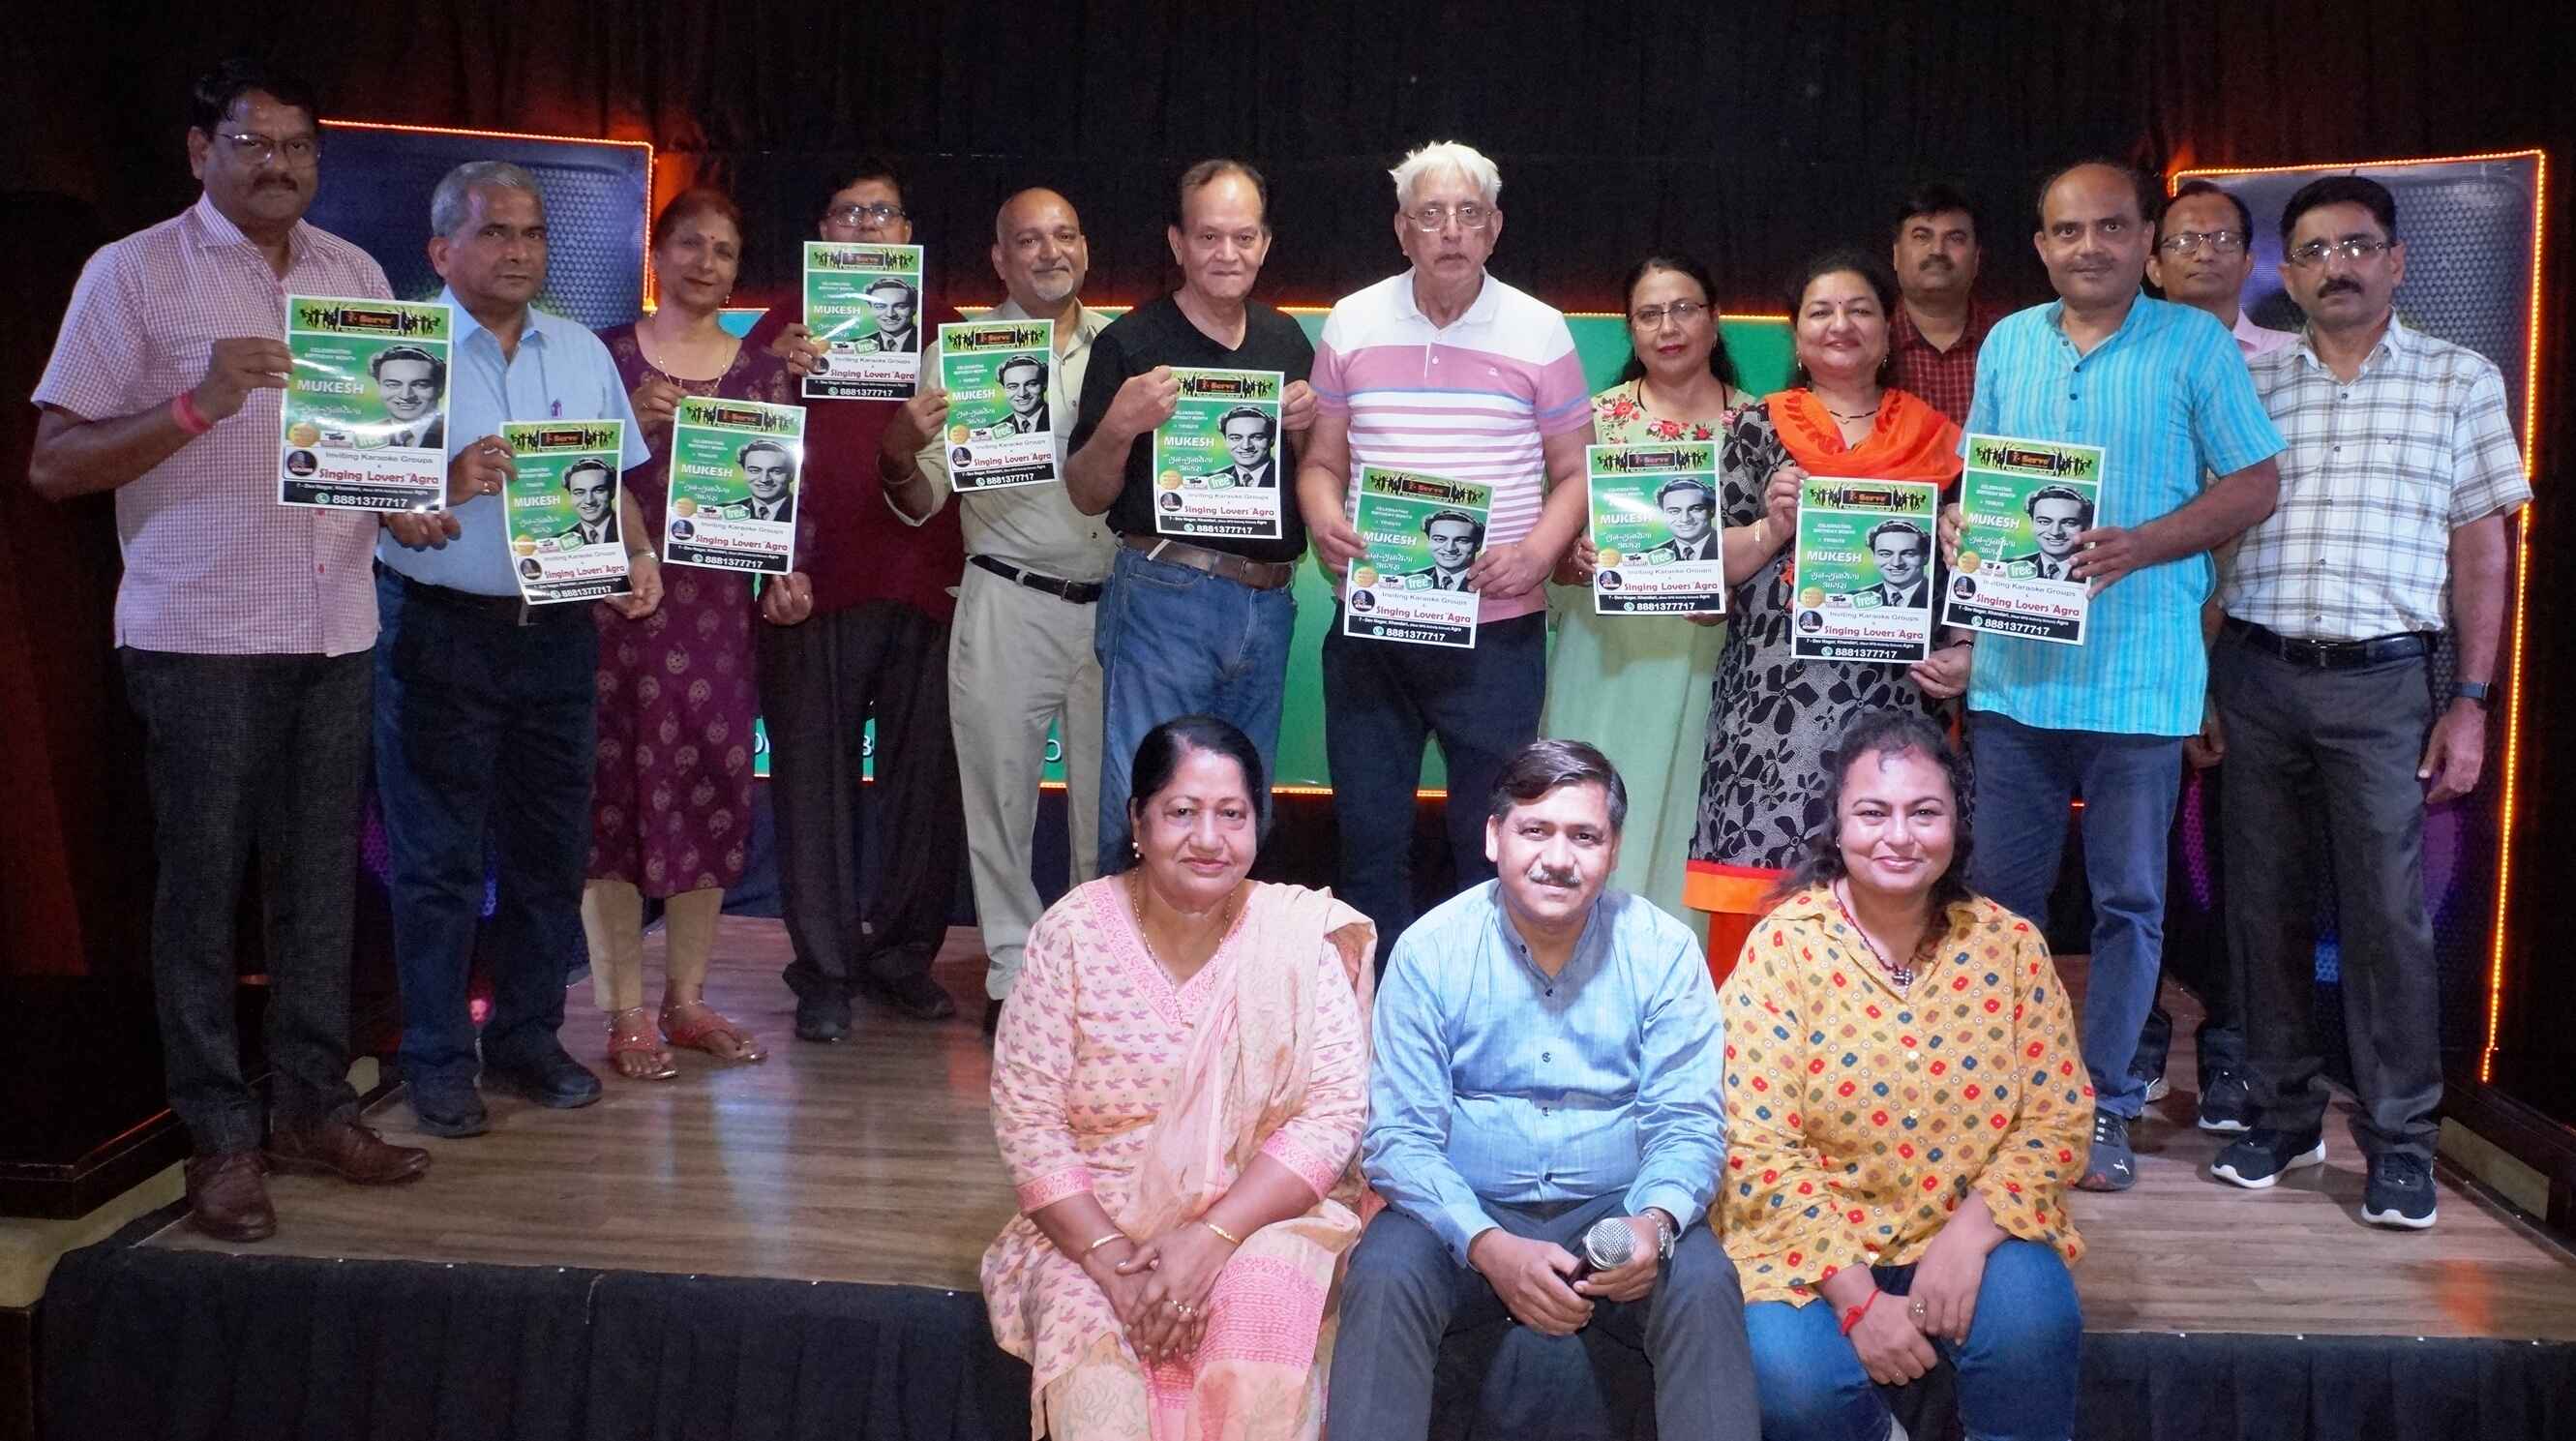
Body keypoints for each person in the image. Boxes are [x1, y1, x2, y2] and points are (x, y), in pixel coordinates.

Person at [28, 57, 434, 1241]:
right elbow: (54, 464)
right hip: (200, 635)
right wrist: (197, 402)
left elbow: (367, 457)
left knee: (319, 892)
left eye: (299, 146)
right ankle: (219, 1137)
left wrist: (403, 503)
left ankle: (312, 1106)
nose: (279, 166)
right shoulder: (133, 272)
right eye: (254, 144)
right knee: (201, 895)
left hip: (336, 628)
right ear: (200, 151)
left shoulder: (354, 276)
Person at [1950, 161, 2285, 1191]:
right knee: (1999, 902)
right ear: (2040, 246)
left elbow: (2257, 483)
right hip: (2015, 673)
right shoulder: (2009, 342)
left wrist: (2144, 544)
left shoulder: (2192, 345)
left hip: (2138, 676)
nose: (2087, 246)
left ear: (2145, 241)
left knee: (2129, 902)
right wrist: (1964, 523)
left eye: (2108, 227)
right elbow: (1981, 481)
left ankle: (2103, 1104)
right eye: (2066, 230)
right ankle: (1997, 1097)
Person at [2210, 176, 2528, 1229]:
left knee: (2388, 919)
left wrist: (2470, 698)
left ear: (2396, 260)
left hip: (2387, 683)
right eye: (2311, 251)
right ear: (2289, 273)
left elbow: (2481, 549)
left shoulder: (2459, 378)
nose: (2334, 267)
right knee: (2262, 905)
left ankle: (2399, 1143)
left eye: (2354, 246)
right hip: (2255, 672)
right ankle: (2281, 1114)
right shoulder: (2249, 384)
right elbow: (2214, 538)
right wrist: (2202, 678)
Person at [1330, 739, 1757, 1439]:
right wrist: (1487, 1243)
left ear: (1614, 850)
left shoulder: (1664, 951)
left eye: (1584, 836)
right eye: (1535, 830)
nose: (1558, 858)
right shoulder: (1431, 950)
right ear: (1493, 837)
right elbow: (1400, 1139)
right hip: (1465, 1213)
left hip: (1617, 1212)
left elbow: (1688, 1125)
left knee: (1703, 1280)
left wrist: (1652, 1223)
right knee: (1386, 1269)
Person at [981, 716, 1375, 1441]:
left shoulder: (1294, 939)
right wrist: (1113, 1263)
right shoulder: (1072, 934)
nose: (1209, 838)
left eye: (1232, 814)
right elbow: (1029, 1121)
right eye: (1183, 812)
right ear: (1139, 820)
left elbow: (1332, 1113)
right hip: (1092, 1234)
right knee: (1099, 1382)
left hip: (1260, 1222)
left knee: (1262, 1306)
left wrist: (1213, 1236)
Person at [374, 160, 657, 1137]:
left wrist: (639, 555)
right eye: (495, 232)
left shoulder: (579, 349)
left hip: (559, 637)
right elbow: (350, 488)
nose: (519, 251)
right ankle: (436, 1058)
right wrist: (438, 482)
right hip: (438, 631)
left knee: (548, 855)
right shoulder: (393, 352)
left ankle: (529, 1038)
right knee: (438, 864)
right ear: (440, 248)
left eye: (532, 233)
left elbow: (615, 484)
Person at [1722, 709, 2087, 1441]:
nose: (1899, 835)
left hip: (1972, 1227)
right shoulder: (1783, 949)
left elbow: (2059, 1119)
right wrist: (1858, 1301)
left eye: (1925, 812)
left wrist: (1966, 1237)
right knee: (1791, 1383)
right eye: (1873, 812)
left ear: (1957, 825)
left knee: (2033, 1323)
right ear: (1837, 826)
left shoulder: (2011, 946)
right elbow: (1758, 1146)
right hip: (1810, 1249)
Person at [1299, 140, 1594, 946]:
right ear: (1403, 230)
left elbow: (1576, 473)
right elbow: (1322, 462)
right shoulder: (1351, 319)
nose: (1452, 231)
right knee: (1368, 842)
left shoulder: (1541, 329)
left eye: (1469, 213)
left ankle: (1483, 1005)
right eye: (1431, 214)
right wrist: (1322, 516)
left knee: (1491, 844)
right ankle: (1374, 1008)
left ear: (1495, 227)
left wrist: (1536, 553)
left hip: (1496, 633)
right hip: (1373, 629)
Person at [584, 188, 817, 1080]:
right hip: (611, 612)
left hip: (716, 620)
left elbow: (789, 498)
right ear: (657, 252)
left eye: (723, 249)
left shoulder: (761, 371)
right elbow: (555, 468)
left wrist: (790, 571)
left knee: (710, 791)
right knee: (608, 804)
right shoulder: (604, 356)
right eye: (689, 244)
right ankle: (622, 1010)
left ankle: (684, 1000)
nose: (705, 262)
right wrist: (624, 429)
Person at [1686, 251, 1968, 979]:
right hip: (1769, 711)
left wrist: (1967, 648)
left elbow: (1972, 573)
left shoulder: (1938, 439)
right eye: (1821, 311)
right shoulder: (1755, 428)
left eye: (1860, 309)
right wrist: (1771, 529)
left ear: (1888, 328)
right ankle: (1752, 1044)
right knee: (1758, 901)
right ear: (1796, 332)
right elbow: (1703, 577)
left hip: (1896, 702)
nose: (1841, 324)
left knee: (1890, 880)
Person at [883, 187, 1116, 1034]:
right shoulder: (959, 356)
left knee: (1111, 802)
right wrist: (897, 450)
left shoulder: (1127, 348)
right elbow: (921, 497)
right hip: (1007, 595)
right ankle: (1013, 975)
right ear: (999, 259)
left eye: (1065, 235)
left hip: (1119, 607)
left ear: (1085, 248)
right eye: (1029, 239)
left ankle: (1101, 971)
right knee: (999, 799)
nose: (1050, 252)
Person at [746, 160, 970, 1036]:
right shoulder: (782, 328)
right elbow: (730, 451)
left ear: (908, 233)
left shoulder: (950, 330)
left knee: (925, 788)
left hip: (928, 588)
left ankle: (902, 957)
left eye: (884, 213)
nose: (868, 227)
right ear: (822, 230)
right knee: (811, 786)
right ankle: (826, 974)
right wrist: (770, 373)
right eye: (850, 213)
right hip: (811, 588)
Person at [1066, 159, 1319, 873]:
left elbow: (1312, 474)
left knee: (1241, 807)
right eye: (1209, 237)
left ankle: (1221, 950)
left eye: (1244, 237)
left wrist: (1307, 429)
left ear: (1265, 243)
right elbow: (1085, 492)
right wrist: (1120, 424)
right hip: (1164, 595)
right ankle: (1126, 949)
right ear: (1177, 243)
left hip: (1268, 600)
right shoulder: (1129, 342)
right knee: (1149, 801)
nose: (1227, 253)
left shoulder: (1286, 340)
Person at [2127, 177, 2291, 1125]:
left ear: (2248, 256)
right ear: (2153, 261)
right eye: (2182, 240)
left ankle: (2231, 1045)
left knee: (2243, 857)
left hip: (2251, 638)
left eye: (2220, 238)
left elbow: (2252, 501)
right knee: (2135, 858)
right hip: (2144, 637)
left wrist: (2212, 644)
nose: (2202, 253)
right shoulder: (2120, 357)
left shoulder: (2289, 366)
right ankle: (2140, 1031)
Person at [1542, 254, 1753, 923]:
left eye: (1685, 308)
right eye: (1650, 314)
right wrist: (1572, 559)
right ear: (1630, 329)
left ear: (1715, 320)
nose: (1669, 327)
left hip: (1707, 662)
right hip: (1602, 657)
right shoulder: (1592, 421)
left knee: (1683, 821)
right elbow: (1548, 556)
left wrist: (1729, 592)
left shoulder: (1758, 425)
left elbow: (1774, 557)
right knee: (1586, 808)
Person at [1886, 182, 2005, 424]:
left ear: (1977, 259)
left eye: (1955, 238)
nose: (1937, 250)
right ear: (1896, 254)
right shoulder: (1868, 340)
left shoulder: (2011, 341)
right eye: (1921, 237)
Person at [2149, 179, 2296, 357]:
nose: (2205, 254)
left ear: (2247, 263)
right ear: (2154, 269)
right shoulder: (2128, 358)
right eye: (2185, 241)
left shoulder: (2294, 353)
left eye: (2224, 240)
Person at [2003, 486, 2089, 579]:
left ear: (2086, 526)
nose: (2055, 532)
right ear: (2032, 523)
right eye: (2044, 522)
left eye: (2069, 523)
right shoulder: (2006, 567)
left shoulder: (2095, 571)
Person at [369, 345, 446, 448]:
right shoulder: (364, 434)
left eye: (420, 385)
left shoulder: (451, 433)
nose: (405, 396)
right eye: (393, 385)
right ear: (379, 387)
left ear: (440, 389)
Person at [1189, 405, 1277, 487]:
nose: (1246, 446)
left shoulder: (1284, 477)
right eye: (1236, 438)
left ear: (1272, 439)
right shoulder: (1207, 481)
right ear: (1225, 440)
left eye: (1256, 437)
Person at [1637, 478, 1721, 564]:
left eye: (1695, 509)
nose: (1685, 519)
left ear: (1712, 510)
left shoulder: (1725, 547)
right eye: (1674, 511)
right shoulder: (1647, 556)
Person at [1399, 509, 1482, 588]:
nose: (1449, 548)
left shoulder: (1485, 582)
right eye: (1440, 539)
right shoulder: (1405, 580)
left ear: (1478, 544)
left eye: (1462, 540)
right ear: (1429, 541)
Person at [1855, 520, 1931, 607]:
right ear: (1874, 557)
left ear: (1926, 557)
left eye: (1908, 554)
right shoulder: (1854, 598)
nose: (1896, 563)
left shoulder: (1939, 598)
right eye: (1886, 554)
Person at [970, 354, 1049, 435]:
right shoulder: (991, 430)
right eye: (1013, 387)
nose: (1022, 394)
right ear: (1004, 389)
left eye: (1031, 384)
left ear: (1045, 384)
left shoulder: (1055, 420)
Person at [558, 459, 617, 547]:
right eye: (579, 492)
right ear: (570, 495)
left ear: (612, 492)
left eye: (598, 490)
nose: (589, 501)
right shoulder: (560, 540)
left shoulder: (629, 529)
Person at [738, 438, 796, 523]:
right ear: (744, 472)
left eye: (776, 471)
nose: (764, 479)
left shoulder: (802, 512)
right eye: (754, 470)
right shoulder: (724, 510)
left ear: (791, 475)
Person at [864, 277, 920, 352]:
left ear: (914, 308)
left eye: (900, 306)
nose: (890, 314)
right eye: (880, 306)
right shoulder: (855, 345)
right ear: (871, 308)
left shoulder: (927, 344)